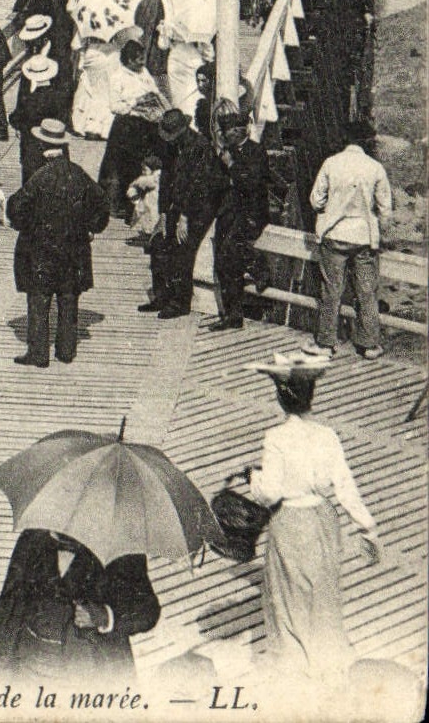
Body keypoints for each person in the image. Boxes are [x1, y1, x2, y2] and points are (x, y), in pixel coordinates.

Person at [246, 356, 379, 679]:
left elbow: (271, 493)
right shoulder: (327, 435)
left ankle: (294, 666)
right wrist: (367, 529)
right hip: (322, 517)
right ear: (311, 397)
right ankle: (328, 661)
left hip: (290, 519)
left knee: (288, 594)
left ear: (281, 399)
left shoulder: (276, 437)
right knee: (322, 591)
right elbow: (345, 486)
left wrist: (254, 479)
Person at [0, 530, 160, 684]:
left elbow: (148, 610)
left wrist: (105, 616)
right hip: (31, 670)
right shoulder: (32, 538)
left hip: (93, 674)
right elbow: (7, 612)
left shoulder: (122, 546)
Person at [6, 118, 110, 367]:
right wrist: (91, 227)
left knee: (39, 299)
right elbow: (102, 203)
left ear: (43, 146)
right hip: (74, 249)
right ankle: (66, 350)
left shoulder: (39, 177)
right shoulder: (78, 174)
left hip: (41, 249)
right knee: (68, 297)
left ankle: (39, 353)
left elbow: (15, 207)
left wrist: (24, 225)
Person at [303, 122, 393, 360]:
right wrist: (379, 231)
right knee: (366, 291)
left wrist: (331, 209)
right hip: (363, 237)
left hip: (335, 234)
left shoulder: (331, 163)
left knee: (331, 291)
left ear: (346, 140)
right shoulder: (375, 168)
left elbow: (315, 200)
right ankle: (369, 344)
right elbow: (385, 209)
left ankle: (326, 343)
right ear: (367, 142)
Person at [142, 110, 226, 321]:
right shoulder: (171, 147)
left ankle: (180, 302)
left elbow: (199, 186)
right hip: (178, 203)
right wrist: (163, 215)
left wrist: (185, 217)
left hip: (201, 206)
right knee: (158, 244)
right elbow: (167, 180)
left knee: (182, 249)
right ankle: (161, 296)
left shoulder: (200, 147)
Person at [209, 105, 270, 331]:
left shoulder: (256, 152)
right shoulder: (225, 152)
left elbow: (252, 183)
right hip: (228, 213)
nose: (226, 134)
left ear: (242, 130)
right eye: (224, 131)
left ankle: (257, 268)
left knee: (228, 256)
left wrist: (231, 166)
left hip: (249, 215)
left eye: (231, 130)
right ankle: (232, 315)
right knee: (224, 263)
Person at [97, 39, 167, 218]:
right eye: (138, 60)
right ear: (127, 61)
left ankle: (139, 204)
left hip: (146, 125)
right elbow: (115, 106)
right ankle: (118, 204)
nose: (142, 63)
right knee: (121, 167)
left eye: (142, 58)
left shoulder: (143, 72)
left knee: (144, 165)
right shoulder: (117, 77)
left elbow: (154, 90)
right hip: (126, 127)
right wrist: (136, 103)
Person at [11, 53, 66, 182]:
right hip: (55, 144)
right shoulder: (58, 96)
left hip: (32, 147)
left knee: (31, 180)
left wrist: (17, 125)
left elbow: (17, 117)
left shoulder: (29, 98)